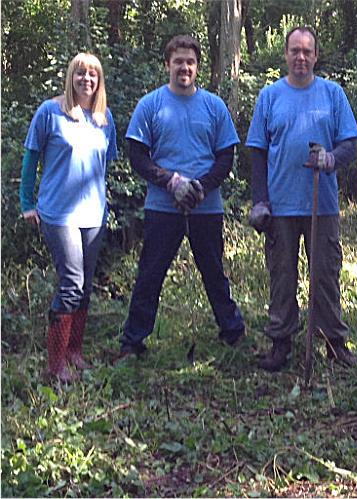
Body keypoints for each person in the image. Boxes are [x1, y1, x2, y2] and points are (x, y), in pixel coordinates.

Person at [117, 35, 245, 359]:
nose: (184, 67)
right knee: (150, 273)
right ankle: (132, 342)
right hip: (163, 207)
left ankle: (233, 333)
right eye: (178, 61)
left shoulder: (214, 106)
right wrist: (171, 182)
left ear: (197, 67)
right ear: (167, 65)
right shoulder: (150, 105)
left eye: (190, 62)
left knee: (214, 270)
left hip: (207, 207)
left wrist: (200, 187)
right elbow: (138, 156)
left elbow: (225, 157)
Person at [246, 26, 357, 371]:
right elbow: (256, 151)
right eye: (295, 51)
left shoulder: (332, 94)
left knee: (325, 273)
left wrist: (331, 159)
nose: (301, 57)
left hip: (320, 204)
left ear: (315, 55)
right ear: (286, 54)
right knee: (281, 274)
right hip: (280, 205)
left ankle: (333, 342)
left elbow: (350, 142)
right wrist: (259, 200)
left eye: (307, 51)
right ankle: (281, 341)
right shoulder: (270, 96)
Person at [20, 53, 117, 382]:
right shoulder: (50, 112)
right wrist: (26, 202)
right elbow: (31, 159)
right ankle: (55, 364)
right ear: (70, 77)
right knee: (71, 284)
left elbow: (106, 166)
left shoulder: (105, 119)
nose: (86, 79)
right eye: (80, 73)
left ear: (99, 81)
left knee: (85, 286)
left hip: (93, 215)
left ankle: (75, 352)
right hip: (58, 214)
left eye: (92, 75)